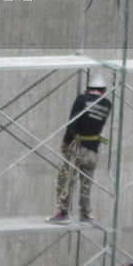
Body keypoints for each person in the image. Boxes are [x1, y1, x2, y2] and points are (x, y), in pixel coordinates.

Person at [46, 72, 112, 223]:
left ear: (88, 88)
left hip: (77, 148)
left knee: (65, 179)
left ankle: (63, 213)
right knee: (86, 183)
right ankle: (86, 214)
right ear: (103, 89)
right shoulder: (107, 104)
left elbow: (73, 123)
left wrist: (65, 142)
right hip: (93, 149)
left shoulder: (82, 99)